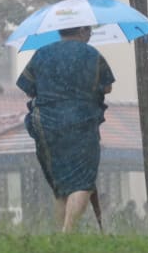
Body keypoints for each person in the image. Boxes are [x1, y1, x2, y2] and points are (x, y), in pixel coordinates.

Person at [16, 25, 115, 232]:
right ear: (82, 30)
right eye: (89, 30)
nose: (90, 34)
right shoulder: (92, 55)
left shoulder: (42, 53)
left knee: (61, 186)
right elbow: (107, 87)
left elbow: (28, 88)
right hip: (81, 123)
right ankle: (67, 234)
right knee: (83, 182)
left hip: (46, 125)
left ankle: (61, 239)